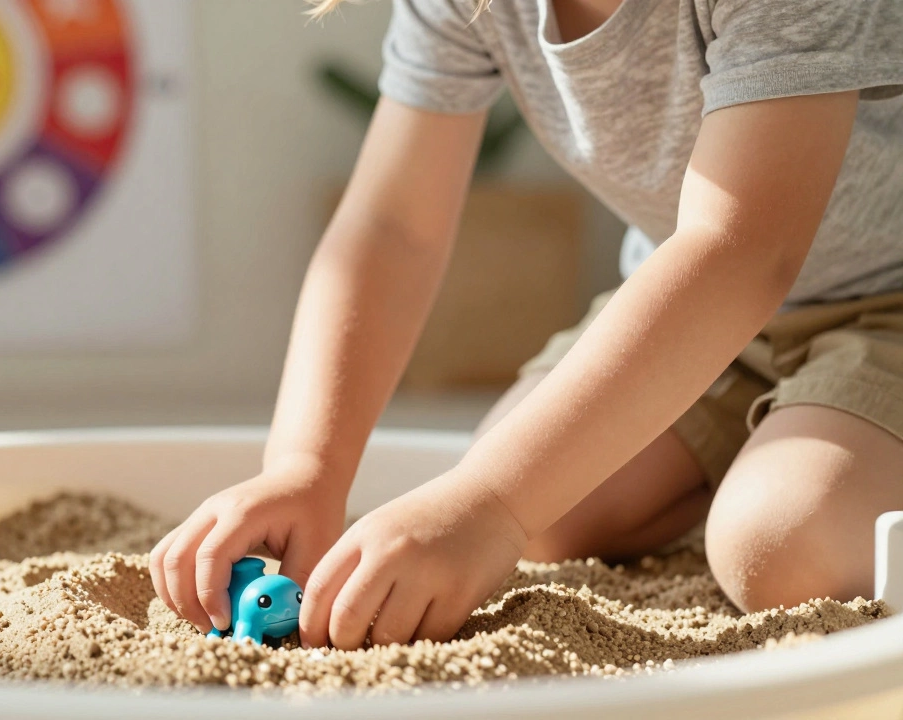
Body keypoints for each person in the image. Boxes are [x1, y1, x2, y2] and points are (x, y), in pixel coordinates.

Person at [150, 0, 903, 650]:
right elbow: (392, 229)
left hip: (877, 300)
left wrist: (490, 505)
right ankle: (785, 449)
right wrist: (305, 467)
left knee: (780, 543)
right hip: (707, 313)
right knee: (542, 520)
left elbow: (743, 249)